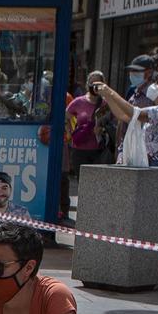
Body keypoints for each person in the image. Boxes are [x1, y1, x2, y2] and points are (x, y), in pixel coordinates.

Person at [94, 69, 158, 167]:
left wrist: (110, 91)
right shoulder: (155, 109)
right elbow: (123, 115)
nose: (153, 86)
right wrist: (107, 96)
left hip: (156, 163)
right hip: (146, 161)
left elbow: (136, 113)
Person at [63, 72, 109, 219]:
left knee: (96, 184)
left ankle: (94, 215)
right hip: (79, 149)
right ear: (87, 84)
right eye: (92, 83)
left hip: (98, 150)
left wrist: (102, 129)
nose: (95, 87)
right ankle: (84, 216)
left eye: (98, 84)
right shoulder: (78, 102)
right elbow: (66, 116)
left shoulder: (105, 103)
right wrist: (70, 133)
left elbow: (115, 121)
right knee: (82, 183)